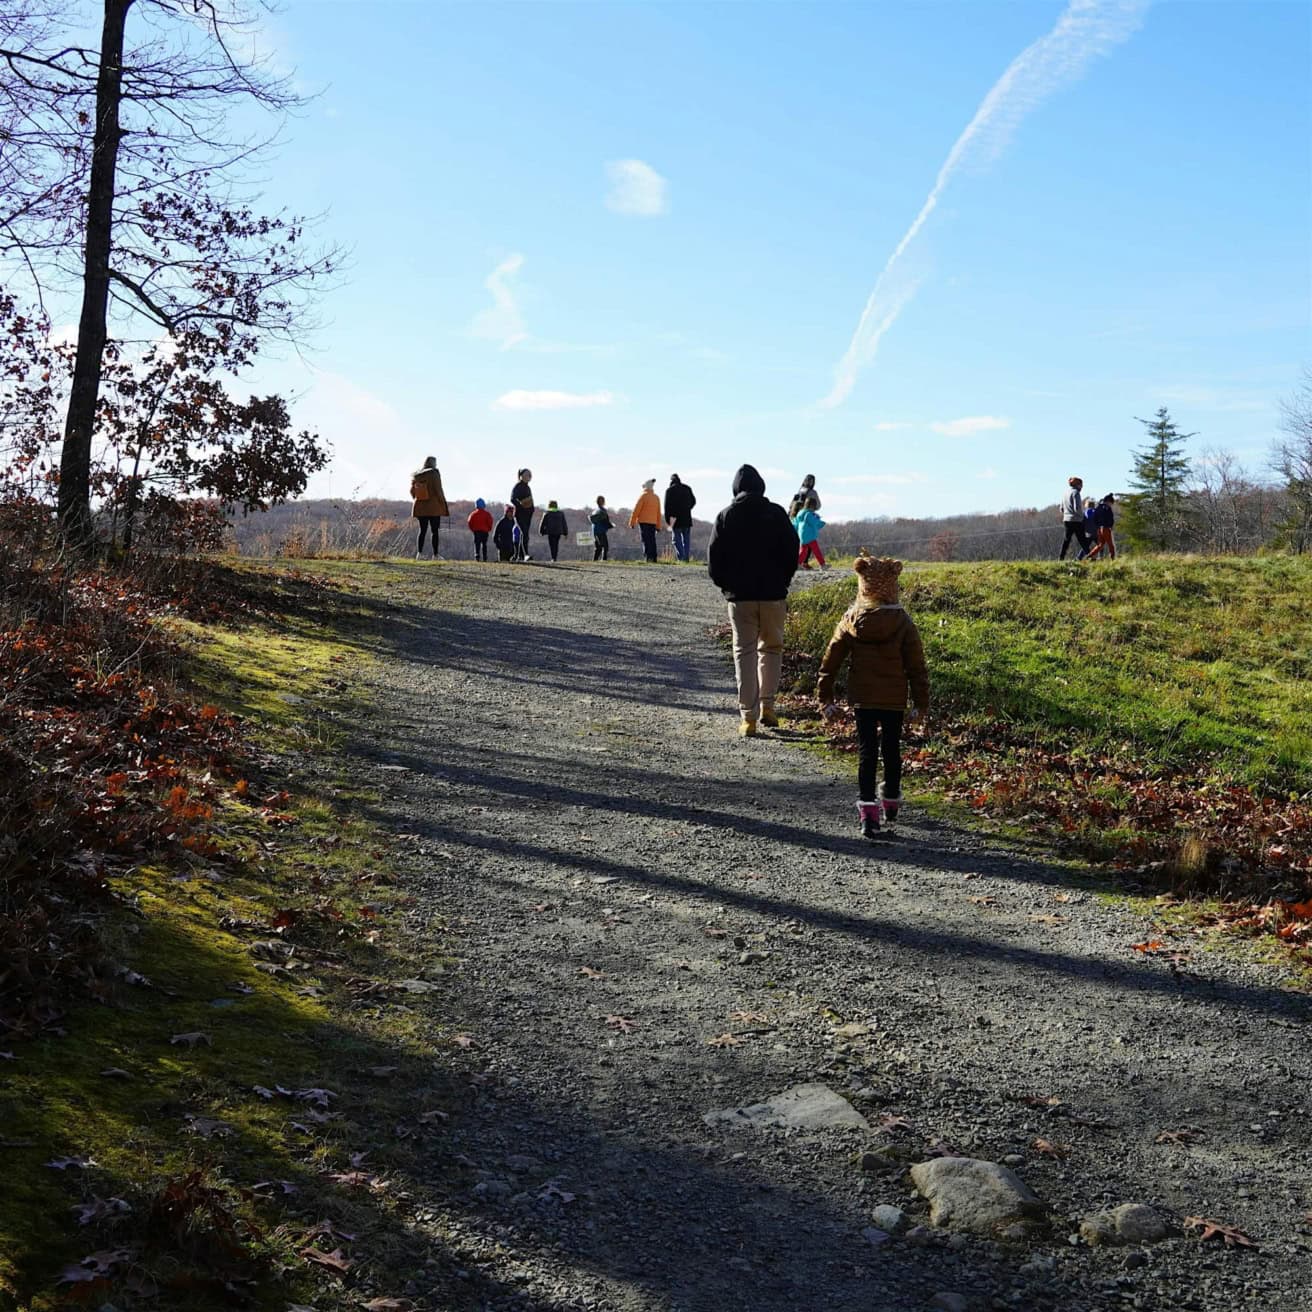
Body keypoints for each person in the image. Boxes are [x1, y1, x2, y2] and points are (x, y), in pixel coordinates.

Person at [816, 554, 929, 841]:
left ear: (862, 582)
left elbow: (830, 663)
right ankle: (890, 798)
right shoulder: (903, 622)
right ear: (894, 582)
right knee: (891, 749)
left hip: (863, 697)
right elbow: (916, 667)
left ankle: (868, 814)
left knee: (867, 752)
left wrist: (825, 698)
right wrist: (921, 703)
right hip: (893, 698)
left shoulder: (851, 620)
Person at [707, 464, 799, 737]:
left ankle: (748, 717)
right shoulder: (777, 514)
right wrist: (783, 580)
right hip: (773, 595)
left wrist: (727, 586)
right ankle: (768, 706)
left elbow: (714, 560)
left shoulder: (726, 516)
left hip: (740, 597)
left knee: (744, 652)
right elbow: (792, 550)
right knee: (771, 649)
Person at [410, 456, 449, 559]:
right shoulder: (434, 473)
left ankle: (419, 554)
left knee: (422, 530)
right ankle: (435, 555)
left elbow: (412, 492)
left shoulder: (417, 475)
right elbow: (438, 490)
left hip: (420, 507)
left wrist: (419, 498)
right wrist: (443, 503)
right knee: (434, 531)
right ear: (433, 463)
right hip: (433, 508)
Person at [664, 474, 697, 562]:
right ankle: (686, 557)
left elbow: (666, 507)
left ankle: (682, 557)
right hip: (687, 518)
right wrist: (687, 508)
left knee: (676, 540)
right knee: (686, 540)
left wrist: (668, 521)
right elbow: (694, 501)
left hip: (675, 519)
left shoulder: (669, 491)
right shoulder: (687, 488)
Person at [629, 478, 663, 563]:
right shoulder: (656, 498)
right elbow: (658, 513)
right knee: (652, 540)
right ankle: (654, 558)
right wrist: (658, 526)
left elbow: (636, 510)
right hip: (653, 522)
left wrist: (632, 522)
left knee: (645, 540)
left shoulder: (643, 496)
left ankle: (648, 558)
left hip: (643, 522)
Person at [1059, 476, 1091, 560]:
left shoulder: (1065, 493)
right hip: (1076, 520)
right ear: (1078, 485)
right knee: (1082, 540)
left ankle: (1061, 557)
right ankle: (1090, 556)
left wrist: (1067, 514)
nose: (1082, 487)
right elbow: (1077, 508)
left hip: (1066, 520)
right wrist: (1082, 516)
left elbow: (1061, 508)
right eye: (1081, 485)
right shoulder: (1076, 493)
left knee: (1066, 540)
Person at [794, 494, 827, 569]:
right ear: (812, 506)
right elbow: (814, 522)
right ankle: (822, 564)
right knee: (816, 550)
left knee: (803, 551)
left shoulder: (800, 513)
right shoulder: (809, 514)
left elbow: (796, 523)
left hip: (802, 536)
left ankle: (797, 564)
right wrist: (821, 523)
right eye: (814, 507)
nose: (814, 509)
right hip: (810, 536)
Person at [511, 468, 534, 561]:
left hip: (528, 515)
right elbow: (512, 499)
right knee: (524, 534)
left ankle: (517, 556)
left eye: (530, 475)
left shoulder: (528, 487)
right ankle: (526, 555)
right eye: (527, 474)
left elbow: (530, 500)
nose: (529, 476)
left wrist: (532, 509)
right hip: (519, 514)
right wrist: (521, 506)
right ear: (521, 476)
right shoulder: (517, 486)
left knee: (524, 535)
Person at [1086, 494, 1117, 560]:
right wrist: (1110, 526)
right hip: (1106, 528)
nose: (1111, 505)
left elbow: (1095, 519)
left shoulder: (1098, 508)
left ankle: (1089, 555)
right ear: (1108, 502)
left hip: (1099, 529)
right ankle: (1113, 558)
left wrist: (1097, 526)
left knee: (1100, 545)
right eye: (1111, 503)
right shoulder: (1107, 508)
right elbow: (1110, 518)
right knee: (1111, 544)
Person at [467, 497, 494, 562]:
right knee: (484, 545)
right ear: (484, 505)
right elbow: (490, 522)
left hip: (476, 532)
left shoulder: (473, 514)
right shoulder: (487, 514)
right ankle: (485, 557)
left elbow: (469, 522)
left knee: (477, 544)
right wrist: (489, 529)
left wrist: (472, 529)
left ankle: (477, 556)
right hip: (485, 532)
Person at [590, 496, 613, 561]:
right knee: (605, 547)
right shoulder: (603, 511)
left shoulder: (594, 511)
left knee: (598, 547)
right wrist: (611, 525)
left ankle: (594, 561)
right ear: (603, 502)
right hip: (601, 530)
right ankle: (604, 560)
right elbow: (606, 521)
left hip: (594, 530)